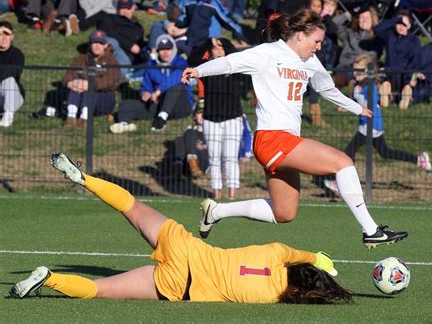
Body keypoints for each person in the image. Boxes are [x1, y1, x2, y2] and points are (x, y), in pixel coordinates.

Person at [181, 9, 408, 248]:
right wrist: (199, 71)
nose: (319, 47)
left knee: (284, 213)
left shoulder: (309, 61)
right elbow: (230, 62)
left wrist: (356, 108)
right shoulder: (268, 53)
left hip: (284, 142)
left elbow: (326, 89)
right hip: (272, 140)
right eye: (316, 41)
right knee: (343, 162)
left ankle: (216, 211)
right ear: (300, 35)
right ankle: (371, 230)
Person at [10, 152, 351, 305]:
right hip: (179, 283)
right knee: (100, 290)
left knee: (131, 205)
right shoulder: (272, 297)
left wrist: (320, 260)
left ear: (299, 268)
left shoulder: (278, 253)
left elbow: (305, 255)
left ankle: (84, 178)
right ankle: (49, 278)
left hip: (186, 246)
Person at [324, 54, 432, 194]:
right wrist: (348, 106)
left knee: (349, 153)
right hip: (366, 125)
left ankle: (341, 183)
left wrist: (354, 104)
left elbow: (370, 105)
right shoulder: (357, 85)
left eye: (359, 71)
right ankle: (419, 159)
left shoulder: (371, 87)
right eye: (354, 70)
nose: (356, 74)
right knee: (385, 153)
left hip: (371, 126)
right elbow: (360, 103)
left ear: (368, 72)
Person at [109, 35, 193, 133]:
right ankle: (125, 123)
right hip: (159, 103)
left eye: (168, 49)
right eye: (162, 49)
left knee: (177, 86)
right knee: (126, 103)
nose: (165, 53)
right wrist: (145, 93)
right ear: (157, 51)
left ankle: (162, 118)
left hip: (181, 106)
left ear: (173, 49)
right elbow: (146, 86)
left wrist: (158, 91)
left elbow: (178, 77)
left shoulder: (181, 62)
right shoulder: (151, 65)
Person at [197, 38, 246, 199]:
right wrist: (207, 43)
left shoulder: (236, 70)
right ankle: (216, 194)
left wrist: (225, 42)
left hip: (232, 119)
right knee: (214, 158)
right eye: (214, 48)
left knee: (231, 158)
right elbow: (192, 59)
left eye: (221, 48)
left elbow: (236, 54)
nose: (218, 50)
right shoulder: (206, 70)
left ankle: (232, 194)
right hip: (211, 119)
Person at [63, 30, 120, 128]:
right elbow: (69, 75)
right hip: (80, 96)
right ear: (90, 44)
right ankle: (71, 118)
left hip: (104, 100)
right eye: (94, 42)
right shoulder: (81, 59)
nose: (97, 45)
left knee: (90, 88)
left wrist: (89, 84)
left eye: (101, 43)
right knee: (76, 87)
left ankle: (84, 118)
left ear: (105, 45)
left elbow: (110, 82)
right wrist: (71, 83)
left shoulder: (112, 61)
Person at [374, 10, 420, 107]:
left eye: (404, 24)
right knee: (381, 80)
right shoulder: (390, 35)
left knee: (410, 89)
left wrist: (410, 78)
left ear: (410, 26)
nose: (401, 26)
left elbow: (414, 61)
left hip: (404, 75)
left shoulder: (414, 40)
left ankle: (403, 96)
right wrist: (396, 19)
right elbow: (377, 29)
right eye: (398, 23)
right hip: (389, 73)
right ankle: (387, 94)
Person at [333, 6, 383, 88]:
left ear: (373, 19)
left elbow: (372, 57)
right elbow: (334, 23)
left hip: (366, 68)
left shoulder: (378, 37)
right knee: (342, 76)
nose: (364, 20)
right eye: (361, 17)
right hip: (347, 67)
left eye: (367, 17)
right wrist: (350, 13)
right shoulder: (349, 33)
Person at [97, 0, 146, 78]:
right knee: (109, 40)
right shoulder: (109, 18)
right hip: (112, 50)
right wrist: (130, 46)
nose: (125, 11)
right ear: (117, 8)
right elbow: (105, 33)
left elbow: (140, 48)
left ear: (133, 8)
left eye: (128, 8)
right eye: (122, 8)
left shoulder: (138, 27)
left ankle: (107, 76)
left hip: (127, 58)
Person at [0, 21, 24, 128]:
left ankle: (8, 115)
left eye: (7, 34)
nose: (3, 38)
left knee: (8, 80)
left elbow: (13, 71)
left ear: (12, 37)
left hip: (13, 96)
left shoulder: (17, 54)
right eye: (0, 34)